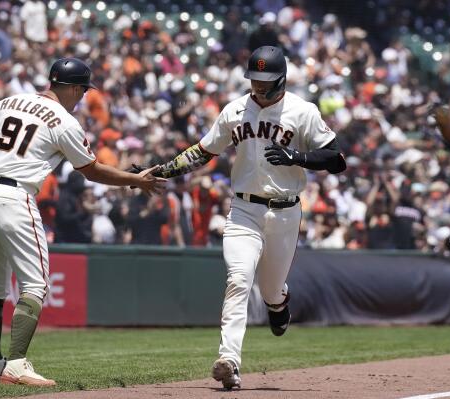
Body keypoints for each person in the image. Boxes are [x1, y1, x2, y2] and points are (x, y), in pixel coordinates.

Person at [0, 57, 165, 387]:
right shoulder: (64, 121)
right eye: (82, 90)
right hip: (15, 196)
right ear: (72, 87)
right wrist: (134, 179)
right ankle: (17, 364)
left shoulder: (9, 101)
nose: (82, 96)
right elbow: (91, 170)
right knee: (35, 286)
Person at [147, 46, 346, 389]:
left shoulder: (302, 111)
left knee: (269, 290)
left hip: (284, 211)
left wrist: (297, 156)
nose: (257, 86)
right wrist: (164, 171)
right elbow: (203, 151)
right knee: (239, 279)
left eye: (264, 80)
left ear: (281, 80)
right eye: (253, 78)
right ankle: (229, 360)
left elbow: (336, 159)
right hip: (243, 209)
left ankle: (278, 301)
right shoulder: (235, 109)